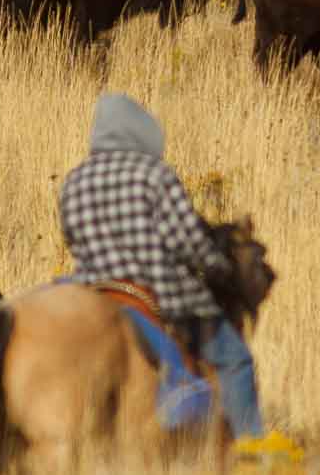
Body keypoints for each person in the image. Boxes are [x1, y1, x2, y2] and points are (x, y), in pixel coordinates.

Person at [59, 92, 263, 439]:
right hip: (156, 294)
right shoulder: (155, 175)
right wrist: (216, 265)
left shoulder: (75, 180)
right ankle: (254, 450)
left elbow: (71, 237)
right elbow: (188, 241)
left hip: (92, 293)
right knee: (235, 359)